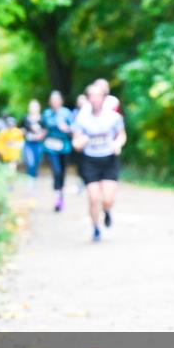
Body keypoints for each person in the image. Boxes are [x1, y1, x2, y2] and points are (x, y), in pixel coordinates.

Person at [72, 82, 126, 242]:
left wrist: (118, 144)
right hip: (90, 161)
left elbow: (121, 135)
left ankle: (107, 211)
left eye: (98, 96)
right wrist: (81, 141)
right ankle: (96, 227)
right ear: (88, 99)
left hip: (109, 159)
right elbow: (75, 143)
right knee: (94, 198)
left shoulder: (114, 117)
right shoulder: (82, 118)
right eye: (92, 96)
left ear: (104, 98)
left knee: (108, 199)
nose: (95, 99)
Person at [41, 90, 73, 212]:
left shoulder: (66, 113)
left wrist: (67, 128)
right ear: (50, 102)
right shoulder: (46, 114)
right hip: (50, 147)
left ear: (61, 101)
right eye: (52, 100)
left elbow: (73, 129)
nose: (54, 102)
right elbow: (44, 129)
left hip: (64, 147)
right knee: (56, 171)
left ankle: (61, 195)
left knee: (62, 172)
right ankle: (57, 195)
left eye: (57, 100)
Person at [20, 99, 46, 187]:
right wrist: (23, 132)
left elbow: (46, 130)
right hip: (28, 143)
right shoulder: (25, 118)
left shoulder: (42, 118)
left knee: (37, 161)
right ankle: (30, 180)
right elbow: (19, 129)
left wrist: (41, 134)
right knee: (30, 162)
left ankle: (34, 177)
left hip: (38, 143)